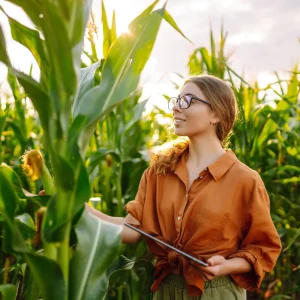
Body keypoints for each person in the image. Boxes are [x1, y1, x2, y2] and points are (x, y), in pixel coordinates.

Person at [86, 74, 282, 300]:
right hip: (166, 289)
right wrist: (81, 213)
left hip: (217, 291)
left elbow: (263, 248)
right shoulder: (159, 170)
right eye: (177, 100)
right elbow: (133, 230)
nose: (176, 108)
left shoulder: (245, 180)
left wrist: (225, 266)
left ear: (216, 114)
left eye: (188, 100)